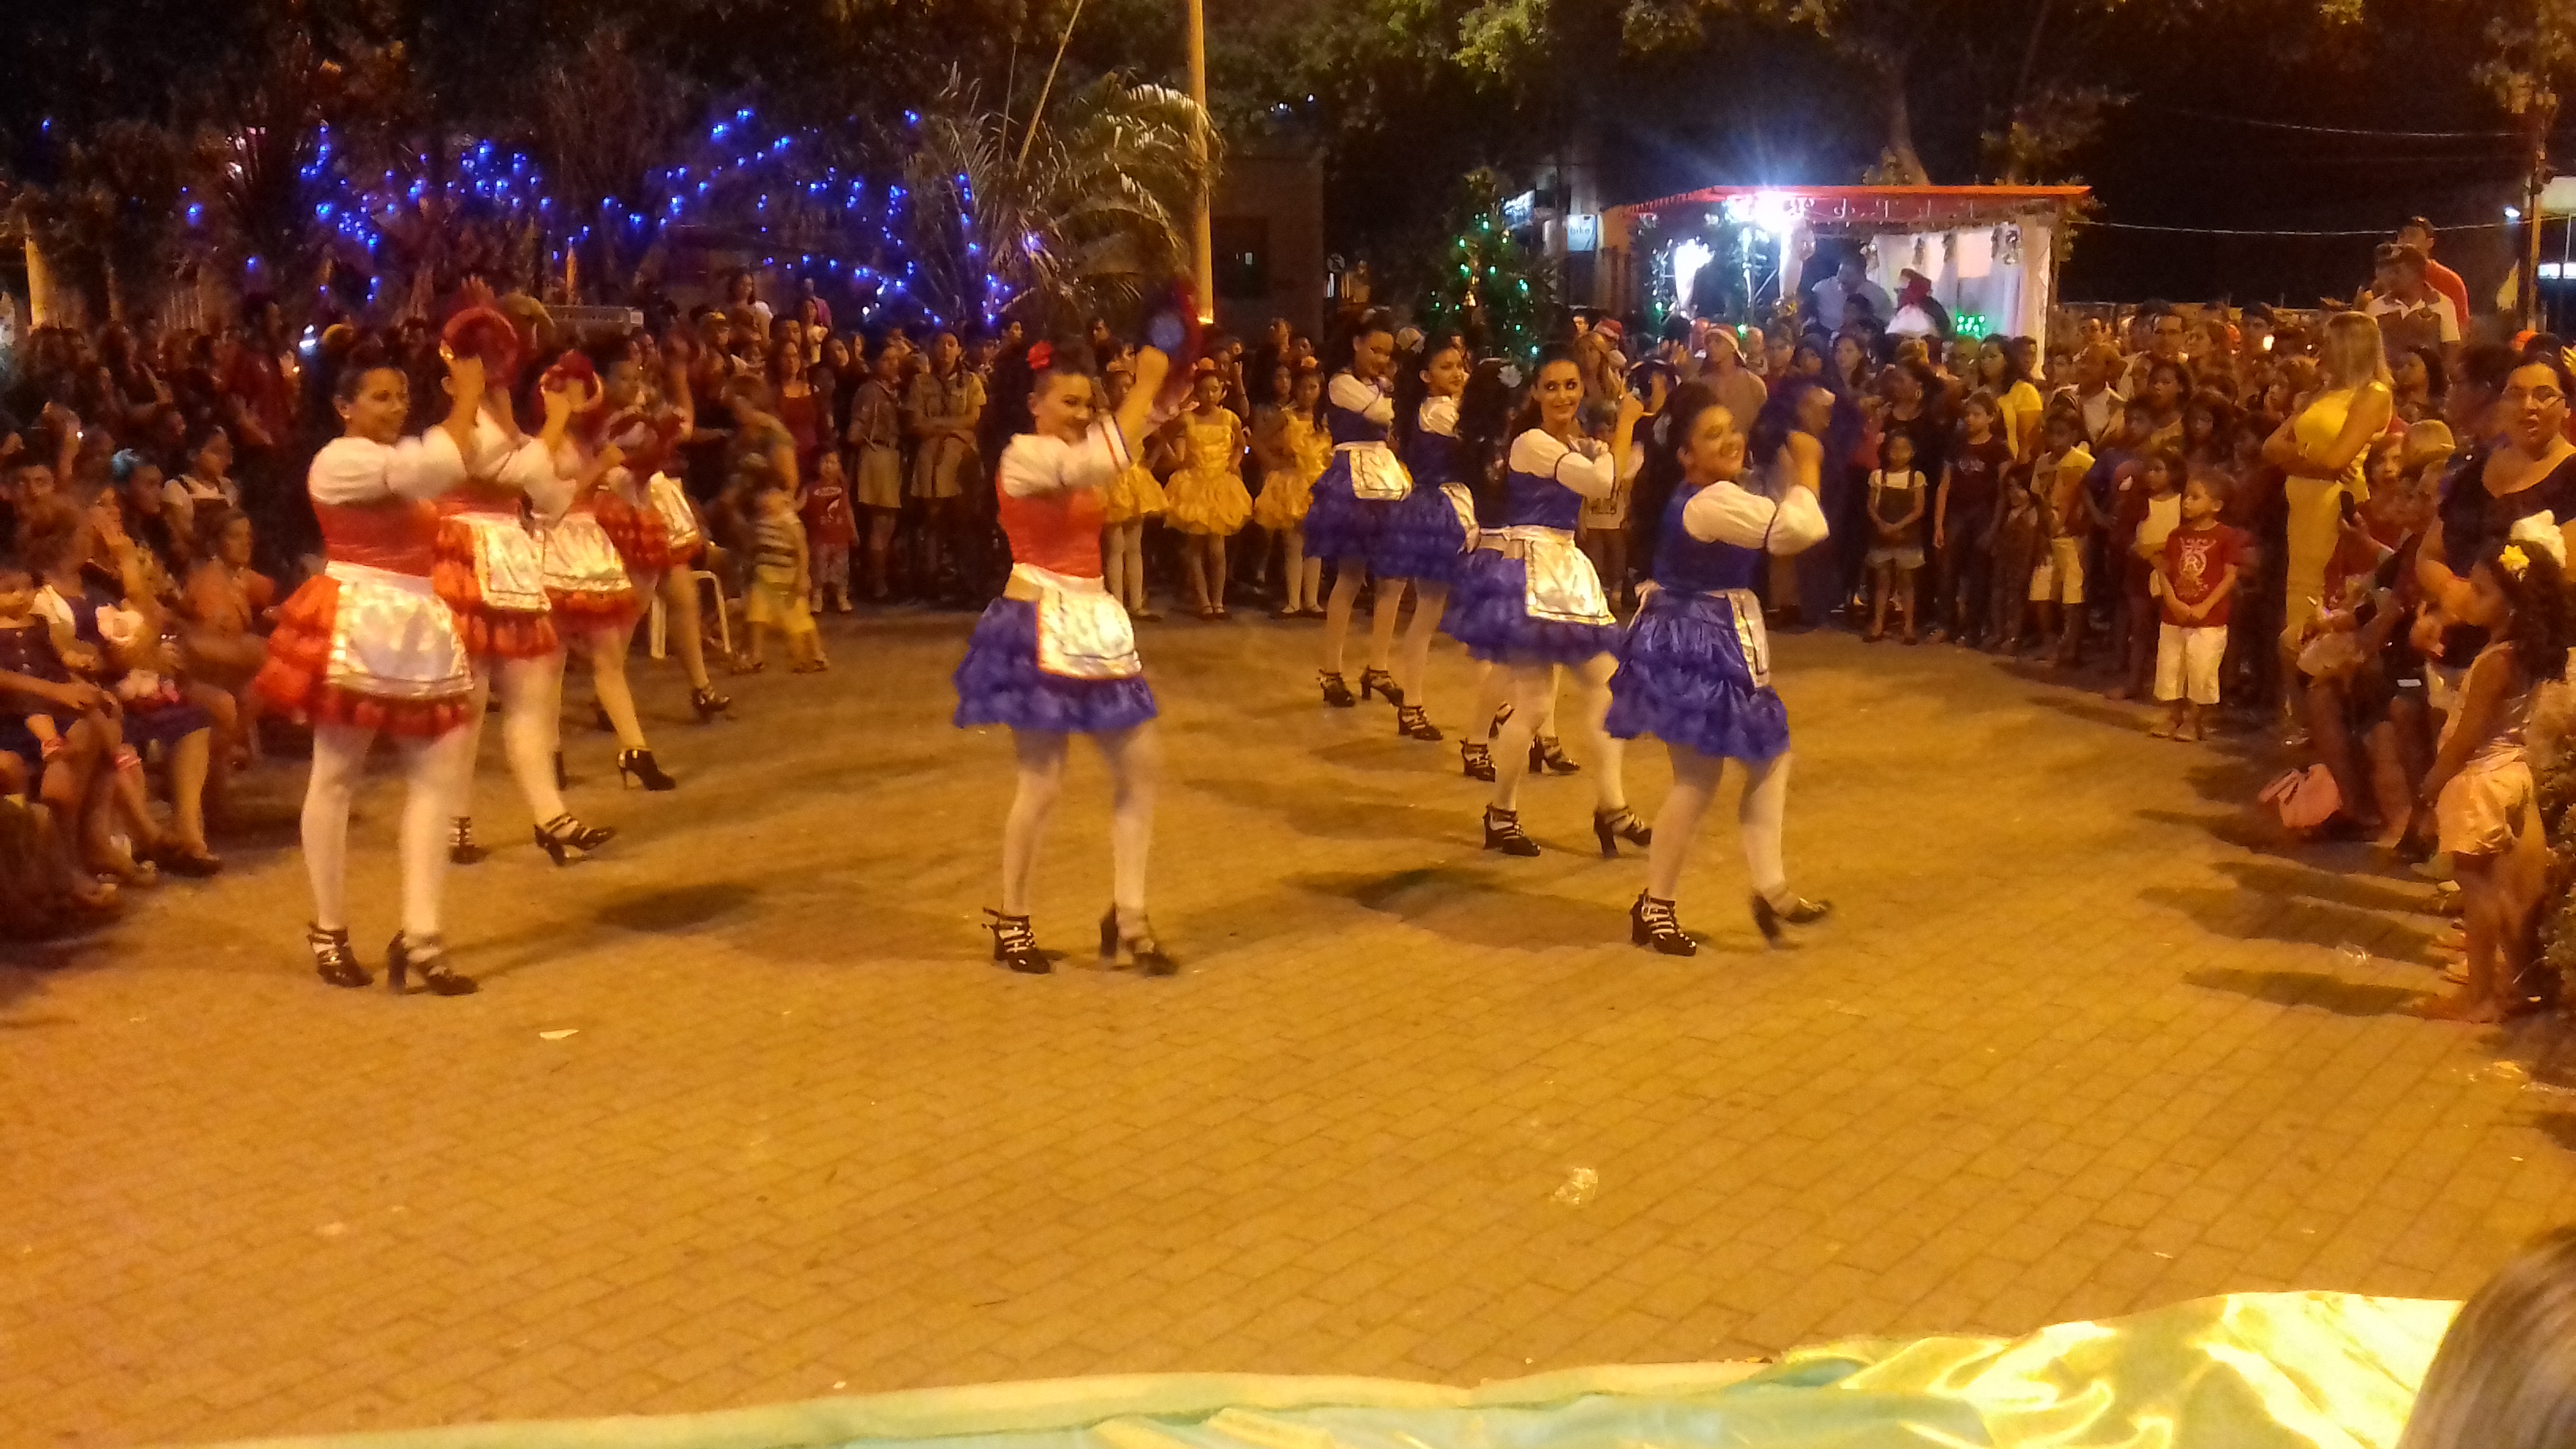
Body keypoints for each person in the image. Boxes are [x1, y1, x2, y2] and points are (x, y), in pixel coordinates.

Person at [252, 351, 487, 994]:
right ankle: (329, 928)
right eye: (381, 397)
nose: (397, 407)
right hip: (359, 616)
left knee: (437, 778)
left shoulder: (394, 455)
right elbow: (433, 469)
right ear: (343, 407)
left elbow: (455, 463)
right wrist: (467, 396)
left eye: (402, 396)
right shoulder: (339, 460)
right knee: (335, 775)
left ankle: (422, 935)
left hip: (416, 620)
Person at [953, 334, 1178, 975]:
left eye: (1088, 403)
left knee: (1141, 767)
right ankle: (1013, 919)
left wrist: (1166, 385)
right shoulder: (1024, 455)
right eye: (1069, 403)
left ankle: (1128, 917)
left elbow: (1131, 434)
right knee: (1043, 782)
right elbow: (1099, 462)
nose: (1082, 414)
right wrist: (1144, 384)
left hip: (1093, 619)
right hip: (1037, 620)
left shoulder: (1083, 447)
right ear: (1034, 405)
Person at [1608, 384, 1832, 953]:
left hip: (1705, 637)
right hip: (1698, 643)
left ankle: (1770, 887)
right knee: (1697, 780)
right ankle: (1656, 904)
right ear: (1686, 455)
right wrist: (1808, 466)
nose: (1730, 440)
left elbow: (1776, 519)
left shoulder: (1713, 493)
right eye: (1712, 436)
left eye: (1731, 428)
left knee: (1770, 755)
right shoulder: (1709, 502)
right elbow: (1793, 531)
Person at [1444, 346, 1647, 857]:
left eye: (1571, 385)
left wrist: (1609, 443)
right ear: (1535, 392)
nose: (1562, 395)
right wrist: (1624, 425)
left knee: (1602, 686)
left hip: (1563, 568)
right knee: (1537, 704)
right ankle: (1508, 812)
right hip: (1534, 569)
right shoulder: (1532, 442)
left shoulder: (1569, 443)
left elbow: (1619, 471)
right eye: (1551, 386)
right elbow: (1602, 483)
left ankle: (1608, 806)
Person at [433, 308, 616, 868]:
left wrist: (549, 431)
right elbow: (506, 471)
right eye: (482, 365)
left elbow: (550, 497)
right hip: (464, 554)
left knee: (529, 695)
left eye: (498, 366)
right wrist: (553, 425)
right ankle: (453, 820)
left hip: (510, 552)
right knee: (469, 699)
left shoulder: (505, 424)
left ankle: (550, 816)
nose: (494, 377)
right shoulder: (453, 427)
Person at [2409, 526, 2570, 1022]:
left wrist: (2430, 787)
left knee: (2477, 891)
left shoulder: (2496, 663)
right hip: (2511, 772)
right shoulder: (2523, 652)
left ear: (2512, 605)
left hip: (2479, 780)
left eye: (2481, 591)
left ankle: (2479, 994)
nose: (2468, 597)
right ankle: (2519, 983)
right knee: (2510, 891)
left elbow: (2466, 738)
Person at [538, 351, 675, 793]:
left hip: (588, 548)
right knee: (553, 660)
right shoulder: (543, 442)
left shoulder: (585, 440)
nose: (580, 398)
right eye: (571, 390)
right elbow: (544, 499)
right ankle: (550, 751)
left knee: (608, 656)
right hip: (554, 547)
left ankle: (635, 750)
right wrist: (599, 466)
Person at [2265, 311, 2395, 722]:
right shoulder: (2321, 392)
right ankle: (2299, 714)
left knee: (2327, 601)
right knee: (2297, 600)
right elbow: (2271, 447)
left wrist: (2298, 460)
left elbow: (2340, 459)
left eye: (2329, 342)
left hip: (2334, 510)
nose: (2322, 351)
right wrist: (2311, 462)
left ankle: (2325, 717)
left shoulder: (2373, 394)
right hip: (2302, 511)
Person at [1305, 311, 1415, 710]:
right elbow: (1383, 414)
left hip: (1386, 476)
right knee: (1350, 576)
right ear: (1356, 344)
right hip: (1354, 477)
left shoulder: (1380, 385)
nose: (1382, 359)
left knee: (1393, 578)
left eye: (1387, 352)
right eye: (1375, 349)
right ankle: (1331, 671)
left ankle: (1378, 667)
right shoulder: (1341, 384)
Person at [2150, 474, 2242, 742]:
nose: (2186, 502)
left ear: (2216, 505)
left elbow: (2230, 577)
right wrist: (2173, 602)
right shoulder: (2176, 536)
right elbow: (2164, 572)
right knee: (2171, 666)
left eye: (2195, 497)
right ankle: (2173, 715)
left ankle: (2194, 719)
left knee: (2201, 668)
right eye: (2186, 496)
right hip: (2174, 616)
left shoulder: (2226, 537)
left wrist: (2205, 606)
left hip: (2209, 618)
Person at [1159, 360, 1251, 618]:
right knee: (1195, 546)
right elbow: (1164, 435)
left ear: (1222, 391)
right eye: (1203, 390)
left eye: (1214, 389)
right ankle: (1204, 602)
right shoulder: (1187, 418)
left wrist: (1234, 463)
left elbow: (1242, 444)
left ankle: (1218, 600)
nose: (1209, 395)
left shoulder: (1230, 418)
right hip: (1194, 483)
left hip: (1221, 483)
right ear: (1196, 392)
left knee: (1217, 549)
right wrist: (1178, 460)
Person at [1252, 359, 1325, 619]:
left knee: (1315, 544)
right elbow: (1256, 440)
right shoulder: (1287, 416)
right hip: (1293, 482)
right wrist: (1272, 462)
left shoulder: (1324, 420)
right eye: (1303, 387)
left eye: (1313, 387)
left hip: (1318, 483)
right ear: (1295, 389)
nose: (1308, 393)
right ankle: (1293, 601)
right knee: (1293, 544)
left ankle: (1312, 601)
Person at [1098, 362, 1168, 619]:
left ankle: (1136, 603)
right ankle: (1117, 603)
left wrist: (1149, 462)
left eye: (1129, 387)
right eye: (1119, 387)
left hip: (1136, 480)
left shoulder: (1138, 416)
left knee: (1134, 545)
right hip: (1111, 482)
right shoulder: (1103, 419)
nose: (1125, 392)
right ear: (1108, 391)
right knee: (1114, 545)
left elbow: (1160, 438)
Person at [743, 461, 825, 672]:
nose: (765, 500)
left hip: (787, 580)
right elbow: (755, 546)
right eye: (761, 495)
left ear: (784, 496)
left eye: (770, 495)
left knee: (800, 621)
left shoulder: (790, 521)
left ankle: (816, 655)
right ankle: (756, 656)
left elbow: (802, 550)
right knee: (756, 617)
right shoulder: (761, 520)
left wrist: (802, 576)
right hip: (764, 578)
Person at [847, 346, 904, 599]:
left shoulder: (892, 390)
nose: (893, 364)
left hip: (888, 457)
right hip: (878, 455)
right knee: (882, 525)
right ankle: (878, 585)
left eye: (896, 359)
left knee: (885, 526)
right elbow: (855, 432)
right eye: (886, 359)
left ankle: (879, 581)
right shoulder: (871, 391)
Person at [1861, 428, 1927, 643]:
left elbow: (1919, 509)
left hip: (1907, 536)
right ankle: (1878, 624)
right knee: (1882, 581)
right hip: (1882, 535)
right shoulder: (1878, 476)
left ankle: (1909, 626)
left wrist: (1896, 526)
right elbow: (1871, 506)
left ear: (1913, 452)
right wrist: (1882, 525)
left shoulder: (1916, 478)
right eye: (1894, 449)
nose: (1898, 454)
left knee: (1907, 582)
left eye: (1904, 449)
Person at [2394, 216, 2473, 335]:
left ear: (2429, 243)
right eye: (2402, 235)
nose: (2406, 241)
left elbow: (2461, 329)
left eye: (2412, 235)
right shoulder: (2389, 278)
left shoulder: (2450, 281)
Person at [802, 447, 858, 613]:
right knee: (818, 569)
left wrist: (853, 530)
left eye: (833, 462)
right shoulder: (810, 488)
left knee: (841, 569)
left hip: (840, 538)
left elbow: (847, 510)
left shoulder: (842, 489)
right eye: (825, 462)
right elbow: (799, 505)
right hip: (819, 539)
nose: (828, 466)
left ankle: (841, 596)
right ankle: (817, 597)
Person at [1808, 254, 1893, 335]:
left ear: (1861, 276)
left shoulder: (1877, 296)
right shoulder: (1822, 289)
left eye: (1848, 275)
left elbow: (1886, 321)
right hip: (1825, 334)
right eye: (1840, 272)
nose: (1842, 278)